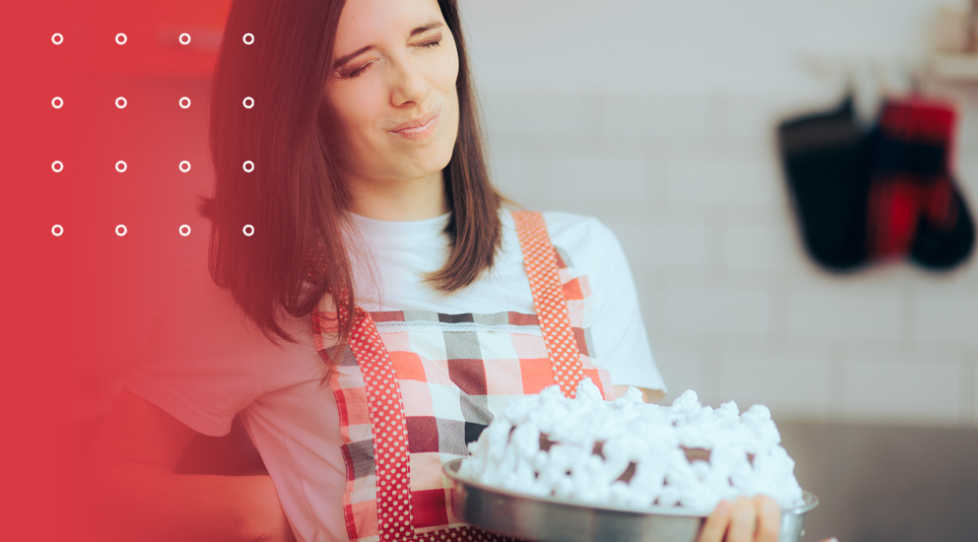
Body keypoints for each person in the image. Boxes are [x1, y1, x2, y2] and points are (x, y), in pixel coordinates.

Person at [85, 1, 833, 542]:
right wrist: (263, 515)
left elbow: (638, 495)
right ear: (298, 100)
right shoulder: (260, 288)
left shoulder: (581, 256)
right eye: (358, 66)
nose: (412, 86)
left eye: (426, 39)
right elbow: (102, 485)